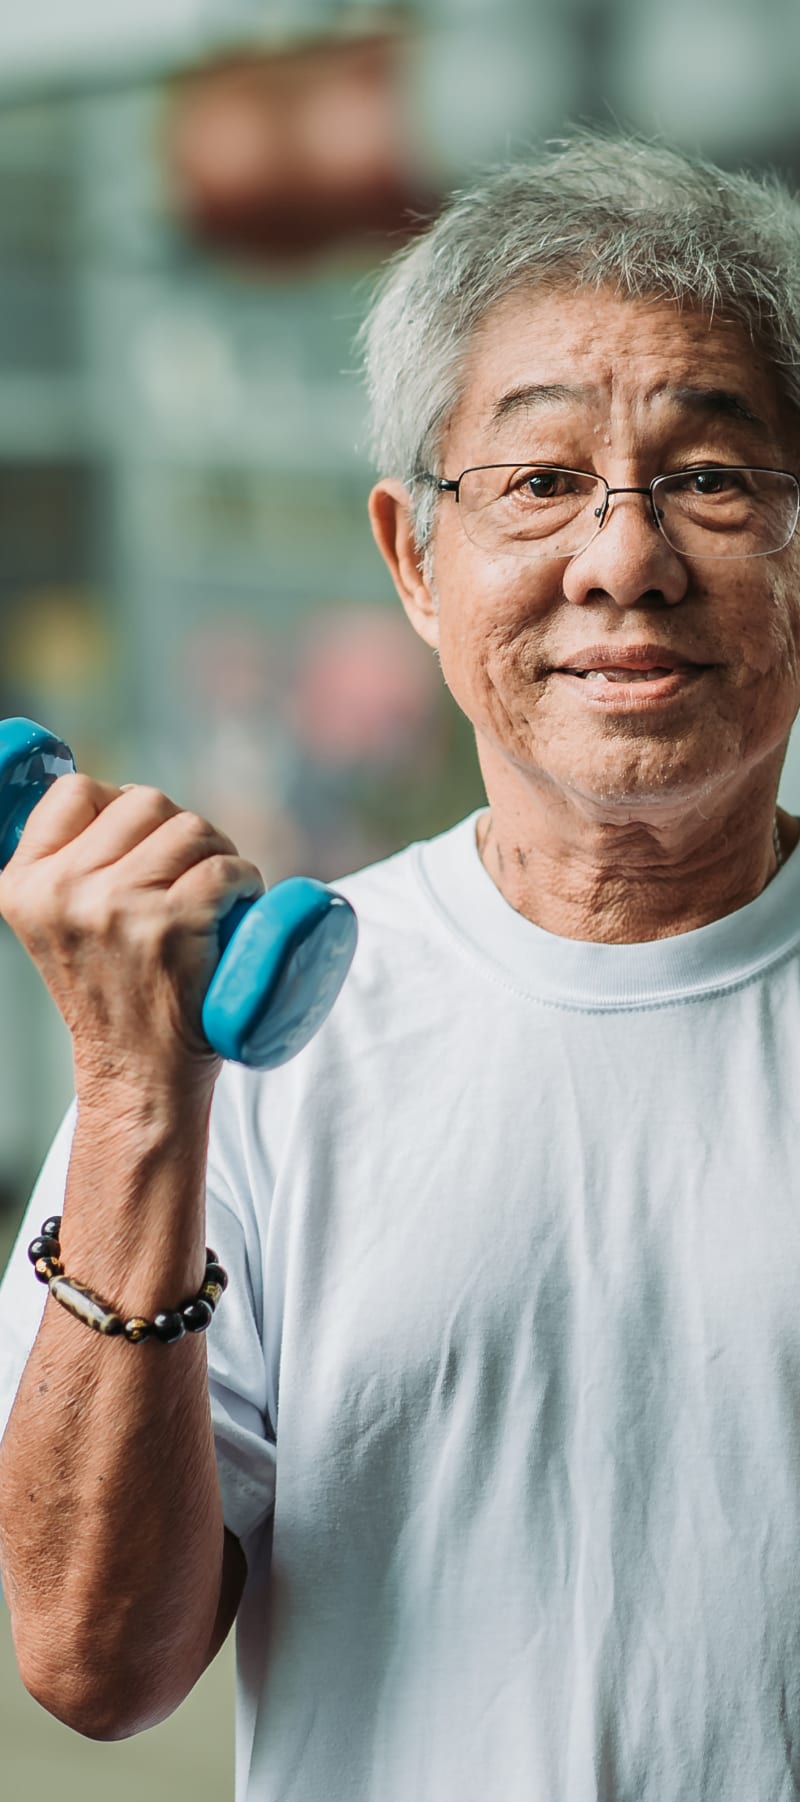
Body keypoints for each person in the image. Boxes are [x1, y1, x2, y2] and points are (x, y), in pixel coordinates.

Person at [3, 130, 800, 1801]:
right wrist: (144, 1099)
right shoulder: (263, 1069)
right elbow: (97, 1665)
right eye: (537, 481)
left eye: (714, 478)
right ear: (414, 561)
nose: (624, 558)